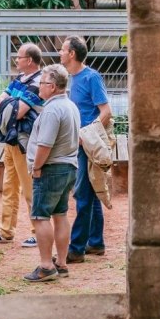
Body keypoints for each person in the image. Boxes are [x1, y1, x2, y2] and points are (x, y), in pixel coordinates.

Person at [23, 64, 80, 282]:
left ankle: (46, 266)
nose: (39, 86)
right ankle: (62, 263)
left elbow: (44, 145)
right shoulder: (70, 106)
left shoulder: (52, 109)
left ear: (53, 86)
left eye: (43, 83)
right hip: (68, 167)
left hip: (51, 168)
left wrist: (36, 167)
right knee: (60, 214)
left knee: (40, 216)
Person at [0, 42, 43, 248]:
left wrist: (8, 103)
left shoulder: (39, 82)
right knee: (9, 186)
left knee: (29, 188)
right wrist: (10, 103)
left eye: (19, 57)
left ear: (29, 60)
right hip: (10, 139)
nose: (16, 60)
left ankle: (39, 231)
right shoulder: (19, 80)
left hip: (24, 141)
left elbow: (18, 111)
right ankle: (6, 230)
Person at [62, 35, 111, 265]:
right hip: (77, 143)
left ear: (72, 54)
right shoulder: (68, 79)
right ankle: (96, 242)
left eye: (63, 50)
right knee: (90, 191)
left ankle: (76, 249)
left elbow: (106, 111)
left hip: (86, 144)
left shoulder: (91, 77)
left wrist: (87, 135)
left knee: (82, 193)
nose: (60, 53)